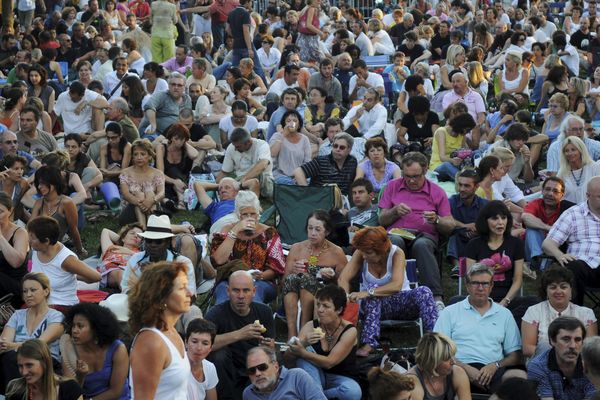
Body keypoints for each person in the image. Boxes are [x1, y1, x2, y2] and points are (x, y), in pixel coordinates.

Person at [339, 227, 438, 356]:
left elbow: (396, 285)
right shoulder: (360, 253)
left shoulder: (397, 253)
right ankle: (369, 343)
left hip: (400, 303)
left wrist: (369, 291)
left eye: (368, 252)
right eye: (362, 252)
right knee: (373, 296)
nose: (364, 255)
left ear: (381, 250)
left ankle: (435, 340)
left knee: (424, 291)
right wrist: (345, 297)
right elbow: (343, 278)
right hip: (370, 308)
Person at [434, 263, 526, 393]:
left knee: (519, 377)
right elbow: (437, 349)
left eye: (485, 283)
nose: (480, 288)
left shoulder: (504, 314)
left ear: (492, 286)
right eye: (475, 283)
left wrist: (495, 365)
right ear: (467, 286)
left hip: (493, 369)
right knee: (453, 374)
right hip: (456, 366)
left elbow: (515, 355)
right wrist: (464, 367)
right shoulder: (450, 312)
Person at [378, 151, 454, 306]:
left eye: (416, 176)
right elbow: (382, 219)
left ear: (425, 170)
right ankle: (391, 293)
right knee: (394, 242)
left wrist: (437, 220)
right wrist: (394, 211)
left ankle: (435, 298)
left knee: (422, 246)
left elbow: (450, 225)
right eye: (407, 176)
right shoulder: (393, 186)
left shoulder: (436, 191)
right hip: (397, 233)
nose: (411, 180)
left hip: (424, 236)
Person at [205, 271, 276, 400]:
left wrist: (269, 347)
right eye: (236, 291)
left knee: (274, 360)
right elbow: (205, 343)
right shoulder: (216, 314)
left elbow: (270, 348)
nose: (241, 296)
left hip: (254, 368)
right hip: (226, 370)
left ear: (254, 292)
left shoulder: (264, 312)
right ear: (227, 291)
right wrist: (240, 334)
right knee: (218, 354)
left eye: (246, 291)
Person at [285, 284, 361, 399]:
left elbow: (329, 362)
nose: (320, 310)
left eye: (326, 306)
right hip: (314, 375)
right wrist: (304, 343)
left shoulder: (349, 331)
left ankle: (312, 395)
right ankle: (314, 395)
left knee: (353, 391)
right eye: (318, 305)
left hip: (339, 378)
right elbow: (287, 360)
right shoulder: (310, 326)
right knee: (303, 359)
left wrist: (303, 352)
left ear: (339, 309)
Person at [129, 261, 192, 399]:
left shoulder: (172, 332)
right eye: (182, 288)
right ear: (161, 296)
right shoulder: (151, 343)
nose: (190, 293)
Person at [210, 190, 284, 304]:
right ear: (238, 215)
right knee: (224, 297)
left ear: (258, 213)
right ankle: (222, 321)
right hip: (229, 280)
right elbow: (218, 260)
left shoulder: (269, 233)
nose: (249, 218)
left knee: (254, 297)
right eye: (245, 214)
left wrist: (259, 276)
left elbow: (276, 267)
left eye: (253, 214)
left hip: (261, 281)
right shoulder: (227, 230)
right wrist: (234, 231)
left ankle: (255, 321)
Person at [282, 210, 348, 339]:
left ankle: (303, 331)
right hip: (296, 290)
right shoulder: (297, 248)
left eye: (318, 229)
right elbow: (284, 281)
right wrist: (293, 270)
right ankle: (291, 333)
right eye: (310, 228)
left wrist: (332, 276)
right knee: (292, 278)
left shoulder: (336, 252)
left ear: (327, 232)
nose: (312, 233)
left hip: (325, 293)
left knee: (306, 279)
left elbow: (343, 284)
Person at [0, 273, 64, 392]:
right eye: (25, 291)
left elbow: (39, 344)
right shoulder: (18, 315)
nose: (28, 295)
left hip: (46, 360)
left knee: (12, 357)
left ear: (46, 291)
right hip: (15, 361)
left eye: (33, 290)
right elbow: (3, 344)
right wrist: (8, 346)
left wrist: (12, 346)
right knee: (10, 358)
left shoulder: (56, 317)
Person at [543, 176, 600, 305]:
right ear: (588, 195)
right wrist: (560, 255)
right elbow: (548, 243)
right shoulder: (573, 214)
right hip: (584, 265)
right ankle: (572, 320)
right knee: (571, 268)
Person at [522, 266, 597, 358]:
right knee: (544, 345)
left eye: (563, 287)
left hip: (576, 363)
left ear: (571, 290)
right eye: (553, 287)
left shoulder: (586, 314)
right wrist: (558, 356)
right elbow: (527, 348)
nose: (558, 291)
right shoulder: (533, 311)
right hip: (543, 363)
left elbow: (591, 349)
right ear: (546, 291)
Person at [27, 216, 100, 311]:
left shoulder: (66, 259)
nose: (29, 239)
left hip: (61, 305)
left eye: (32, 237)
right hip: (38, 303)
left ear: (46, 241)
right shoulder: (36, 249)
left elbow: (96, 277)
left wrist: (72, 275)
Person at [60, 303, 130, 399]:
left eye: (80, 326)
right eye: (73, 326)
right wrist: (81, 376)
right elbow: (71, 394)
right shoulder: (69, 351)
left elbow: (116, 391)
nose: (74, 331)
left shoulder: (118, 349)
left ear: (96, 329)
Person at [119, 215, 196, 298]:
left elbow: (189, 297)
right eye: (149, 240)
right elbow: (126, 292)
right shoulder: (135, 260)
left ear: (168, 243)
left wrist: (156, 278)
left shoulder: (183, 264)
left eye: (158, 241)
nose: (153, 245)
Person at [465, 201, 525, 307]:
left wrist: (504, 302)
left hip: (507, 298)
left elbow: (517, 279)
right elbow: (470, 279)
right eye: (495, 218)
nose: (500, 222)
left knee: (531, 302)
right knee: (454, 301)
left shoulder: (516, 244)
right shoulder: (474, 244)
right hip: (480, 296)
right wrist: (486, 303)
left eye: (503, 218)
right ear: (485, 221)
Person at [527, 316, 596, 400]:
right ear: (552, 341)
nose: (572, 346)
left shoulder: (592, 364)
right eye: (566, 339)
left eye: (577, 340)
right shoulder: (538, 366)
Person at [30, 166, 85, 257]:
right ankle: (29, 265)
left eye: (43, 183)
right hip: (35, 248)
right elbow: (30, 228)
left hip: (54, 250)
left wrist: (80, 250)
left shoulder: (66, 203)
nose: (39, 187)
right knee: (30, 268)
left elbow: (73, 229)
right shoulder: (39, 203)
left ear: (54, 182)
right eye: (38, 184)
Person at [522, 177, 575, 269]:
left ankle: (543, 264)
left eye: (555, 191)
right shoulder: (536, 203)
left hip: (555, 251)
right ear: (542, 191)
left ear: (562, 195)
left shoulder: (567, 208)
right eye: (547, 189)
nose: (550, 194)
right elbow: (525, 217)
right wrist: (549, 228)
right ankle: (540, 259)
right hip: (532, 250)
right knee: (532, 228)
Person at [5, 339, 82, 400]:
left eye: (29, 365)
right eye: (20, 366)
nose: (24, 372)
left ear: (45, 362)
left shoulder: (70, 389)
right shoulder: (15, 389)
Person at [244, 346, 327, 400]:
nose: (257, 373)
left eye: (262, 367)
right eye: (251, 370)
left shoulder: (296, 377)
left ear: (276, 366)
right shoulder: (248, 394)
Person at [406, 332, 472, 400]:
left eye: (453, 356)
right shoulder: (412, 381)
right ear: (432, 361)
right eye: (447, 358)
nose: (453, 362)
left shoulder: (458, 373)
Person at [118, 139, 165, 227]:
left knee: (150, 193)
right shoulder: (126, 173)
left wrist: (151, 201)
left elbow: (161, 193)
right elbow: (126, 194)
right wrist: (141, 203)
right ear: (132, 156)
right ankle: (143, 227)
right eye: (136, 154)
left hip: (153, 207)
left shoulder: (157, 173)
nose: (139, 157)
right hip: (130, 212)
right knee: (139, 194)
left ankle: (150, 226)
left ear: (150, 156)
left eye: (143, 154)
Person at [217, 128, 274, 199]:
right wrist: (215, 187)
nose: (235, 149)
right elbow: (224, 171)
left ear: (248, 142)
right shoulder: (232, 147)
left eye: (238, 147)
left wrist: (243, 180)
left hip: (262, 180)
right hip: (241, 182)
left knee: (259, 175)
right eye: (234, 146)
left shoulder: (262, 145)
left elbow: (263, 164)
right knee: (228, 182)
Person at [156, 123, 199, 210]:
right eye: (176, 139)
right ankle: (175, 202)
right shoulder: (162, 148)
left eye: (182, 139)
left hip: (179, 182)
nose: (179, 142)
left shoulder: (184, 148)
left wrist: (185, 143)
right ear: (171, 138)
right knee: (173, 174)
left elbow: (195, 155)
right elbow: (160, 173)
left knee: (176, 175)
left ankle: (178, 202)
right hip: (163, 180)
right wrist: (174, 181)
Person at [0, 191, 29, 308]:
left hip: (15, 288)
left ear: (10, 210)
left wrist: (0, 237)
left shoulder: (20, 232)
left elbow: (16, 262)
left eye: (0, 212)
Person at [429, 113, 477, 182]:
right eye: (468, 130)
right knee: (446, 165)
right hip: (439, 166)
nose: (468, 132)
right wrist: (452, 161)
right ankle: (465, 181)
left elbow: (464, 152)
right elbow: (442, 157)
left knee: (476, 152)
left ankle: (480, 176)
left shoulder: (462, 135)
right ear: (462, 126)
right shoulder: (441, 132)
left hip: (455, 166)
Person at [269, 109, 311, 185]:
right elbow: (272, 153)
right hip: (280, 174)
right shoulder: (277, 136)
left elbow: (307, 161)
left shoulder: (304, 139)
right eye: (288, 121)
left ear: (299, 124)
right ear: (284, 123)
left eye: (295, 121)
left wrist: (299, 175)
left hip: (300, 174)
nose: (292, 123)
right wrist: (283, 135)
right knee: (288, 183)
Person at [97, 223, 142, 290]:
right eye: (132, 233)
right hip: (115, 272)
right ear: (123, 237)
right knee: (122, 274)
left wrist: (129, 251)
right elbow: (105, 231)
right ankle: (131, 295)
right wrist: (122, 240)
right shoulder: (112, 248)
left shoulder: (140, 253)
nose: (136, 236)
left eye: (139, 236)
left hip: (133, 272)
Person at [557, 136, 600, 204]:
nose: (570, 153)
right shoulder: (562, 173)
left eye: (573, 149)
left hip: (593, 210)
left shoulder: (594, 167)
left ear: (580, 150)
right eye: (566, 151)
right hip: (570, 211)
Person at [186, 318, 219, 400]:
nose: (199, 348)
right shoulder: (175, 366)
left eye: (205, 343)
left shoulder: (210, 368)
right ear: (186, 342)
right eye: (194, 341)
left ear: (210, 348)